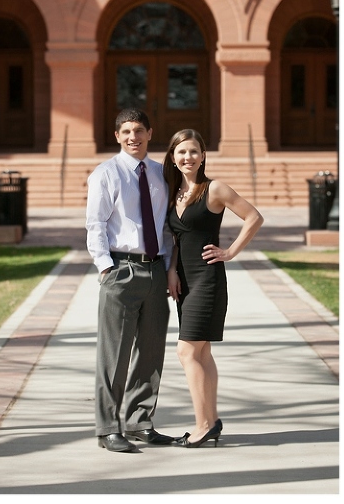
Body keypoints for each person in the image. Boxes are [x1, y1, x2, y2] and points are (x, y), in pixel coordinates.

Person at [163, 129, 263, 448]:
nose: (188, 157)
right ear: (173, 157)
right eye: (181, 152)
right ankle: (212, 420)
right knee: (202, 352)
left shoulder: (214, 188)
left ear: (203, 156)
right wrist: (171, 271)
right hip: (184, 279)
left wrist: (230, 252)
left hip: (207, 279)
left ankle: (202, 425)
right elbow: (177, 239)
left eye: (194, 151)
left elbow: (254, 217)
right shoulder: (173, 192)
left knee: (186, 351)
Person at [85, 108, 175, 453]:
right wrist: (105, 267)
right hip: (121, 270)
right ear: (117, 136)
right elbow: (95, 223)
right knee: (114, 355)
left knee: (151, 352)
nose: (133, 137)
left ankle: (140, 421)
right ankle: (108, 428)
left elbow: (166, 226)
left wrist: (169, 267)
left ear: (150, 133)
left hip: (156, 269)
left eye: (138, 130)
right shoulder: (106, 174)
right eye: (126, 131)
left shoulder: (162, 173)